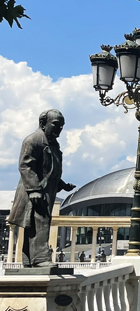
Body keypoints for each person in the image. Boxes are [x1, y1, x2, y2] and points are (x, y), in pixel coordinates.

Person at [8, 109, 75, 267]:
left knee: (34, 224)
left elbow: (49, 170)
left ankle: (28, 260)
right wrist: (34, 190)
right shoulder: (33, 140)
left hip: (46, 191)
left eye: (62, 126)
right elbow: (25, 166)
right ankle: (40, 259)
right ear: (43, 123)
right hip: (34, 190)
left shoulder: (53, 143)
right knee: (40, 222)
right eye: (56, 124)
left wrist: (62, 184)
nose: (60, 129)